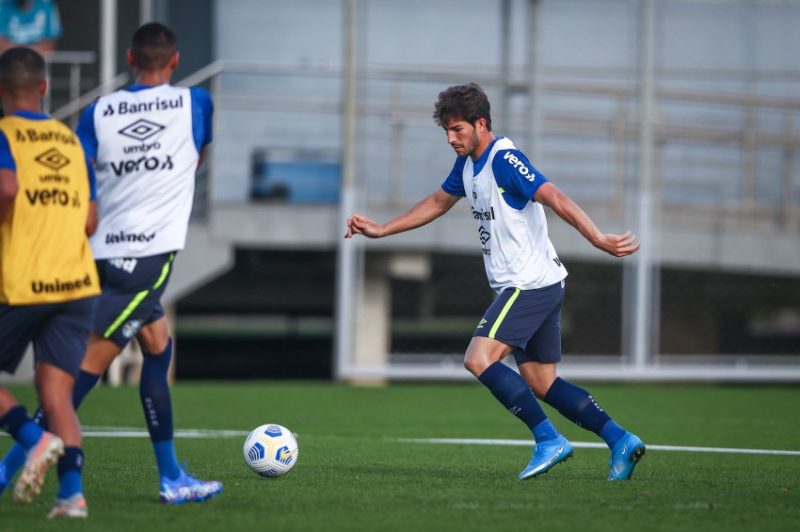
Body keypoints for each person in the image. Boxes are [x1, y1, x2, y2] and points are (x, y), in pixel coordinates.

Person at [346, 83, 646, 481]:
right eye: (447, 132)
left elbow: (553, 195)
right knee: (541, 381)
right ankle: (621, 440)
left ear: (481, 124)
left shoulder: (504, 159)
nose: (451, 139)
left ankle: (548, 440)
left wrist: (597, 237)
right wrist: (383, 229)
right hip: (541, 283)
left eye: (458, 130)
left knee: (478, 358)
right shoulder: (468, 163)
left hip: (528, 284)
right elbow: (438, 202)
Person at [0, 22, 221, 504]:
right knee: (77, 378)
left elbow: (80, 172)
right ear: (176, 61)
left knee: (158, 346)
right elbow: (197, 157)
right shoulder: (196, 104)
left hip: (98, 250)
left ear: (129, 58)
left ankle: (172, 476)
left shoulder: (99, 111)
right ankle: (8, 472)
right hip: (144, 258)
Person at [0, 46, 98, 518]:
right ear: (43, 87)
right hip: (77, 282)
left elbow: (6, 188)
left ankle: (33, 439)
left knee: (43, 402)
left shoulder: (3, 135)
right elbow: (91, 221)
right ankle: (71, 496)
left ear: (1, 91)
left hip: (23, 280)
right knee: (57, 394)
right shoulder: (72, 142)